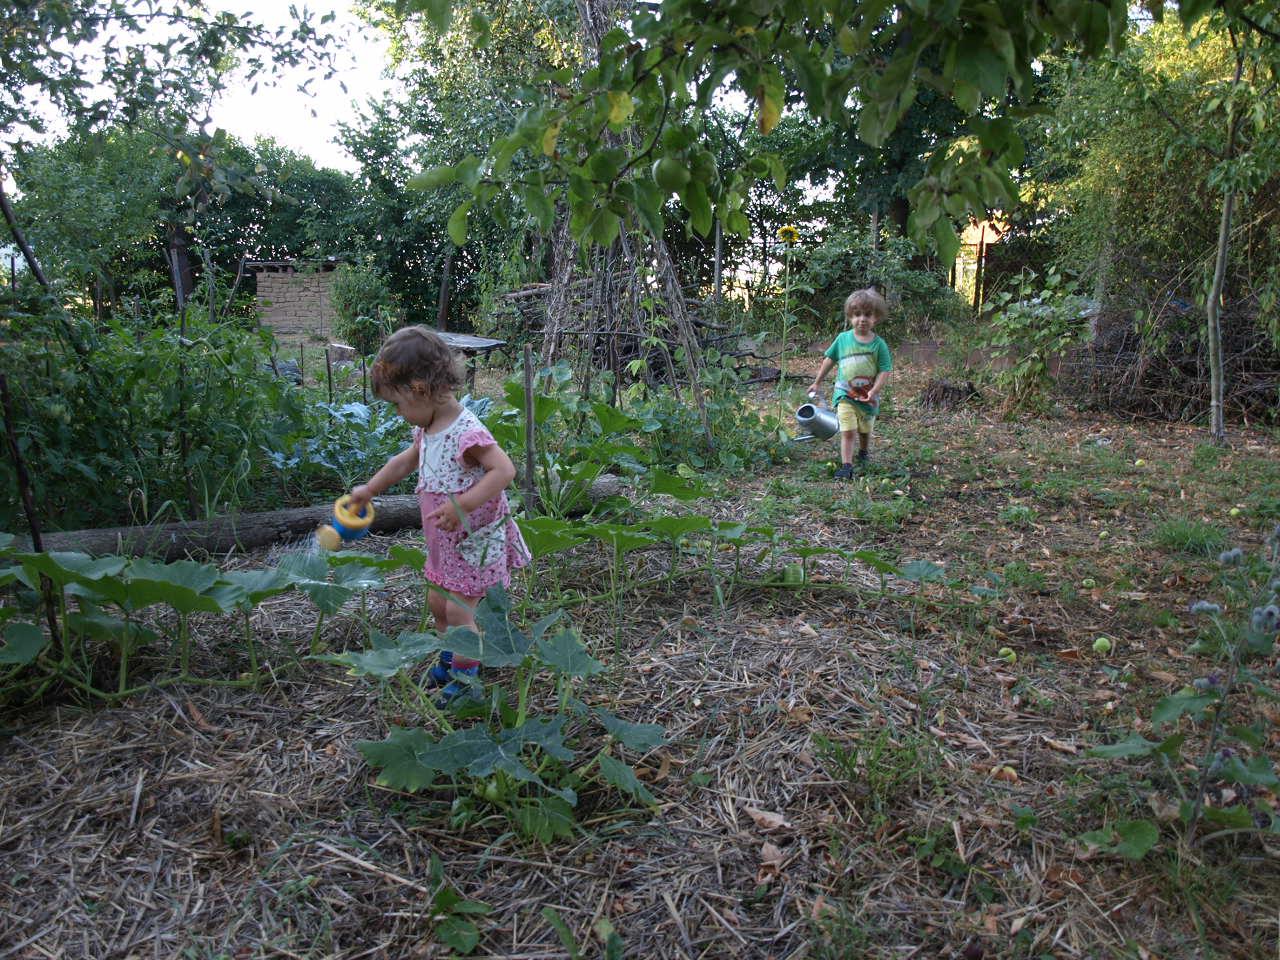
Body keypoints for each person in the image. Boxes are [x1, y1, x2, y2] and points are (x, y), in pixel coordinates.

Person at [349, 326, 530, 705]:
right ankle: (451, 660)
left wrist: (463, 504)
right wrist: (369, 489)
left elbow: (504, 471)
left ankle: (466, 680)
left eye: (396, 405)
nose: (398, 414)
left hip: (473, 544)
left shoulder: (467, 431)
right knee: (437, 603)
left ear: (418, 388)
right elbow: (402, 463)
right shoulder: (428, 427)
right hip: (445, 545)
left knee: (459, 611)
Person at [808, 287, 894, 479]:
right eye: (857, 315)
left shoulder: (879, 344)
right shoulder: (843, 339)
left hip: (867, 397)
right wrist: (817, 382)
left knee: (864, 431)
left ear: (876, 318)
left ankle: (863, 452)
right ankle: (847, 465)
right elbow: (829, 360)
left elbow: (884, 370)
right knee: (848, 430)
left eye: (867, 315)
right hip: (844, 394)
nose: (862, 319)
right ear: (850, 317)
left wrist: (875, 391)